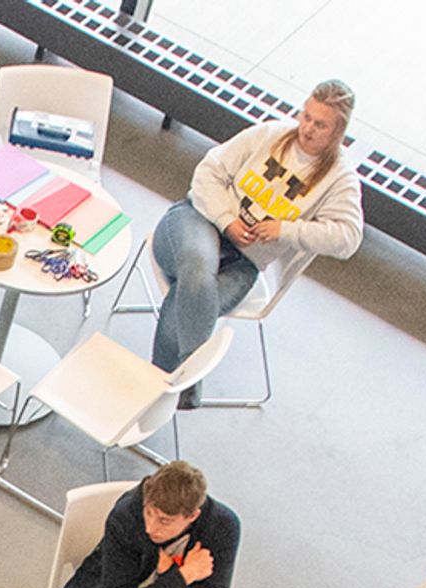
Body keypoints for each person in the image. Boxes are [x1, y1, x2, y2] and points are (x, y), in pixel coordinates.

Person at [148, 80, 365, 382]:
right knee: (198, 274)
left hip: (244, 263)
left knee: (193, 295)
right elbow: (207, 172)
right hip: (196, 221)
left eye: (320, 125)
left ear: (338, 133)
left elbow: (348, 237)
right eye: (305, 116)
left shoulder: (340, 177)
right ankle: (183, 383)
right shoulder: (270, 134)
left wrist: (285, 230)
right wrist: (227, 220)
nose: (307, 129)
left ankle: (160, 383)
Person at [44, 461, 241, 588]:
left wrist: (169, 575)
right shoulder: (127, 515)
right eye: (148, 513)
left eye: (165, 521)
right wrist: (182, 576)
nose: (150, 528)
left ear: (192, 516)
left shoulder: (222, 527)